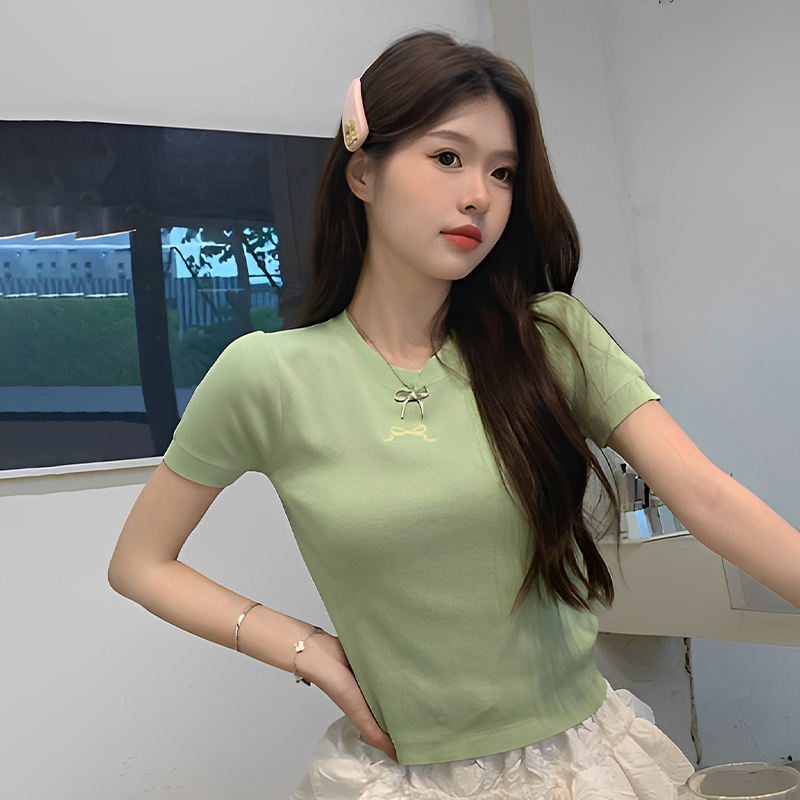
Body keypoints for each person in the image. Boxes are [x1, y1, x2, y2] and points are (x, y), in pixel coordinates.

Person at [108, 29, 800, 800]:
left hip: (582, 766)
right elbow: (139, 563)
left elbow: (707, 496)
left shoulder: (551, 338)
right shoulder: (266, 375)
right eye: (447, 157)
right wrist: (308, 650)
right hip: (401, 779)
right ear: (362, 171)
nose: (479, 195)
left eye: (502, 172)